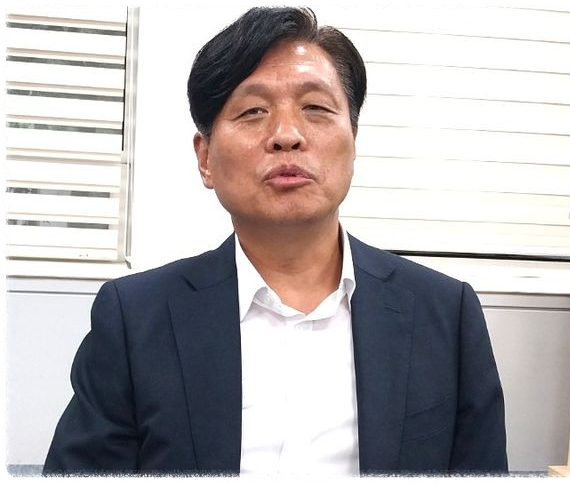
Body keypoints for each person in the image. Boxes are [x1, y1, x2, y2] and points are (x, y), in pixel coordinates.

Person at [43, 6, 507, 476]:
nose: (287, 135)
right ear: (205, 158)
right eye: (253, 111)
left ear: (353, 141)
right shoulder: (135, 318)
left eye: (316, 108)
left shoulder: (444, 315)